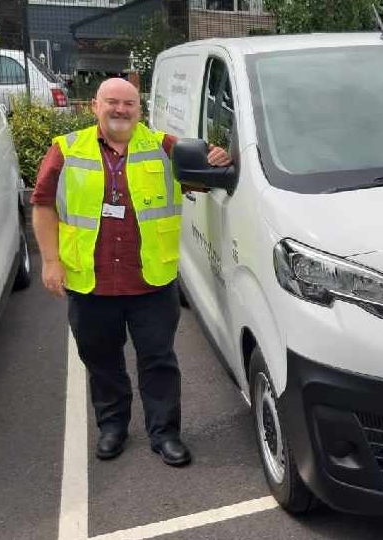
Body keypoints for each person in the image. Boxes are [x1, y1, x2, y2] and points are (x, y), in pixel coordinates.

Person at [30, 78, 232, 466]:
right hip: (91, 283)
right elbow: (42, 205)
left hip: (151, 282)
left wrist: (217, 158)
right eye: (112, 103)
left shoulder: (163, 147)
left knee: (158, 361)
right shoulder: (66, 150)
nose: (121, 110)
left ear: (140, 109)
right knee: (102, 361)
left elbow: (203, 180)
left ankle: (165, 433)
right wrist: (51, 261)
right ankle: (113, 427)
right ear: (94, 106)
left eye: (129, 103)